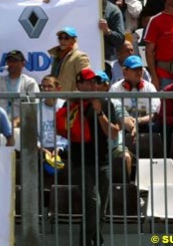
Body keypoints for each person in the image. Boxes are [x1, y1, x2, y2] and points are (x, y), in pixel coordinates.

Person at [58, 68, 120, 246]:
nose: (93, 85)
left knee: (101, 210)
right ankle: (87, 242)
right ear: (79, 85)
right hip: (80, 162)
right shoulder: (71, 104)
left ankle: (95, 240)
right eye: (88, 82)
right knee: (94, 204)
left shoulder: (106, 103)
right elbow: (64, 129)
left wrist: (99, 112)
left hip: (103, 162)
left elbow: (113, 133)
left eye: (95, 81)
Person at [0, 50, 40, 128]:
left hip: (21, 126)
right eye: (9, 61)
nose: (11, 64)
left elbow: (32, 107)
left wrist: (17, 121)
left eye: (15, 61)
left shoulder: (29, 82)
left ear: (23, 63)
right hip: (0, 124)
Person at [48, 27, 91, 92]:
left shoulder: (80, 56)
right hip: (56, 97)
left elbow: (86, 80)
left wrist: (78, 98)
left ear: (74, 40)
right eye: (60, 38)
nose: (62, 41)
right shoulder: (56, 56)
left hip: (71, 99)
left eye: (66, 38)